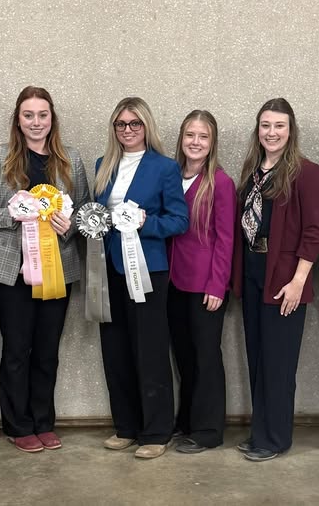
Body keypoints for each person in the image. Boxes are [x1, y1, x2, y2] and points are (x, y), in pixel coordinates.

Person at [0, 86, 90, 453]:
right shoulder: (0, 157)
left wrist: (68, 226)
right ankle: (18, 424)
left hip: (58, 269)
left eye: (43, 115)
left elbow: (84, 211)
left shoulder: (71, 159)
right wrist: (14, 215)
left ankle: (43, 420)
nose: (36, 122)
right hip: (11, 271)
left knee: (47, 351)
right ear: (18, 119)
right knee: (16, 349)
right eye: (29, 115)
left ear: (52, 118)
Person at [231, 98, 319, 461]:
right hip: (254, 273)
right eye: (266, 125)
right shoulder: (253, 171)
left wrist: (300, 280)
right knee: (258, 357)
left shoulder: (305, 171)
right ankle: (260, 433)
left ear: (291, 130)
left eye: (279, 126)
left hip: (285, 280)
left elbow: (314, 231)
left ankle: (275, 439)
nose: (272, 133)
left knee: (279, 363)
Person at [95, 97, 189, 459]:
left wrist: (146, 223)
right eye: (121, 124)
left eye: (134, 124)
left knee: (149, 351)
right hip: (108, 269)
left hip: (147, 270)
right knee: (114, 349)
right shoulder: (104, 164)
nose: (128, 130)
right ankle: (126, 427)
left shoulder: (164, 168)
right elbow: (96, 217)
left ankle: (156, 432)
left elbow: (179, 220)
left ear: (146, 126)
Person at [166, 110, 235, 454]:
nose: (195, 142)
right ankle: (188, 420)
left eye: (203, 136)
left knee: (206, 356)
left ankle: (208, 429)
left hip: (204, 283)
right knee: (183, 356)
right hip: (172, 282)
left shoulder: (220, 182)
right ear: (181, 138)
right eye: (190, 135)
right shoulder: (171, 174)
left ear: (212, 143)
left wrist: (217, 285)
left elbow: (226, 239)